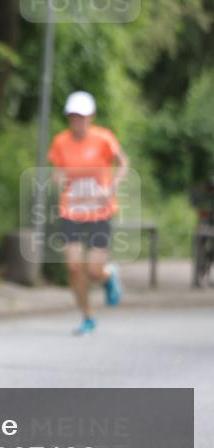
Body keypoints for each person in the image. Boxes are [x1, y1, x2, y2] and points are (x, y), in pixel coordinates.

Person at [48, 91, 129, 336]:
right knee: (73, 266)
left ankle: (108, 276)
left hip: (99, 211)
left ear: (91, 116)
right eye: (73, 116)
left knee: (94, 269)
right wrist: (58, 177)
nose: (77, 121)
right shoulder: (61, 142)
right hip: (71, 209)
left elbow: (123, 163)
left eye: (81, 116)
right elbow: (56, 172)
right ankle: (87, 316)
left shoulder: (103, 139)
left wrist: (111, 187)